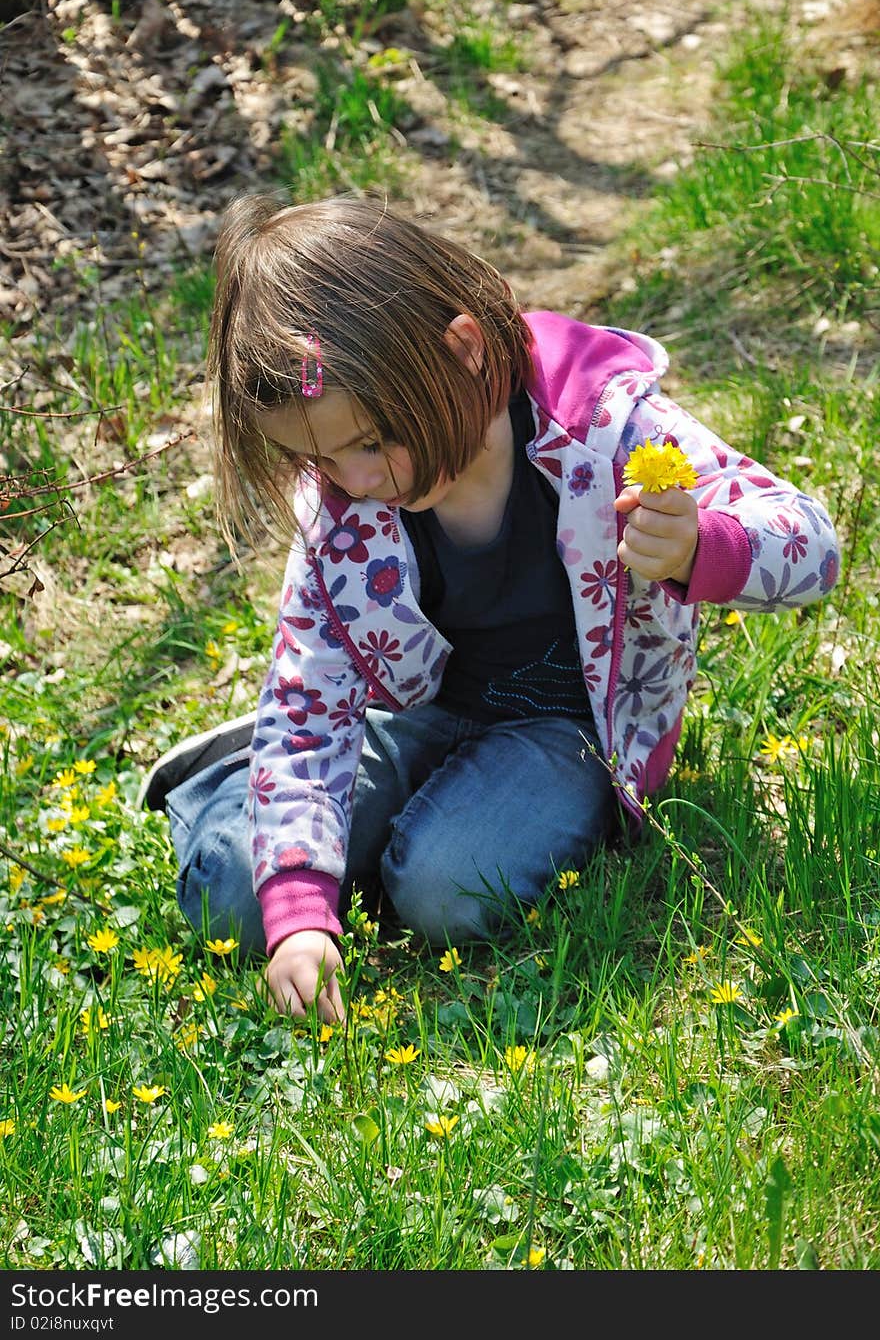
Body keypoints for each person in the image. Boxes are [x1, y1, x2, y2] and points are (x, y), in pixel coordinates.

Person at [139, 190, 840, 1026]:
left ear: (464, 351)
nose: (358, 479)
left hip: (567, 732)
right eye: (319, 458)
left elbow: (813, 542)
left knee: (446, 888)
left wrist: (702, 546)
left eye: (370, 442)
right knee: (233, 895)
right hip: (413, 714)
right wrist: (298, 909)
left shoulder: (604, 427)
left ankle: (382, 825)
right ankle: (246, 792)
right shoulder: (340, 503)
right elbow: (312, 703)